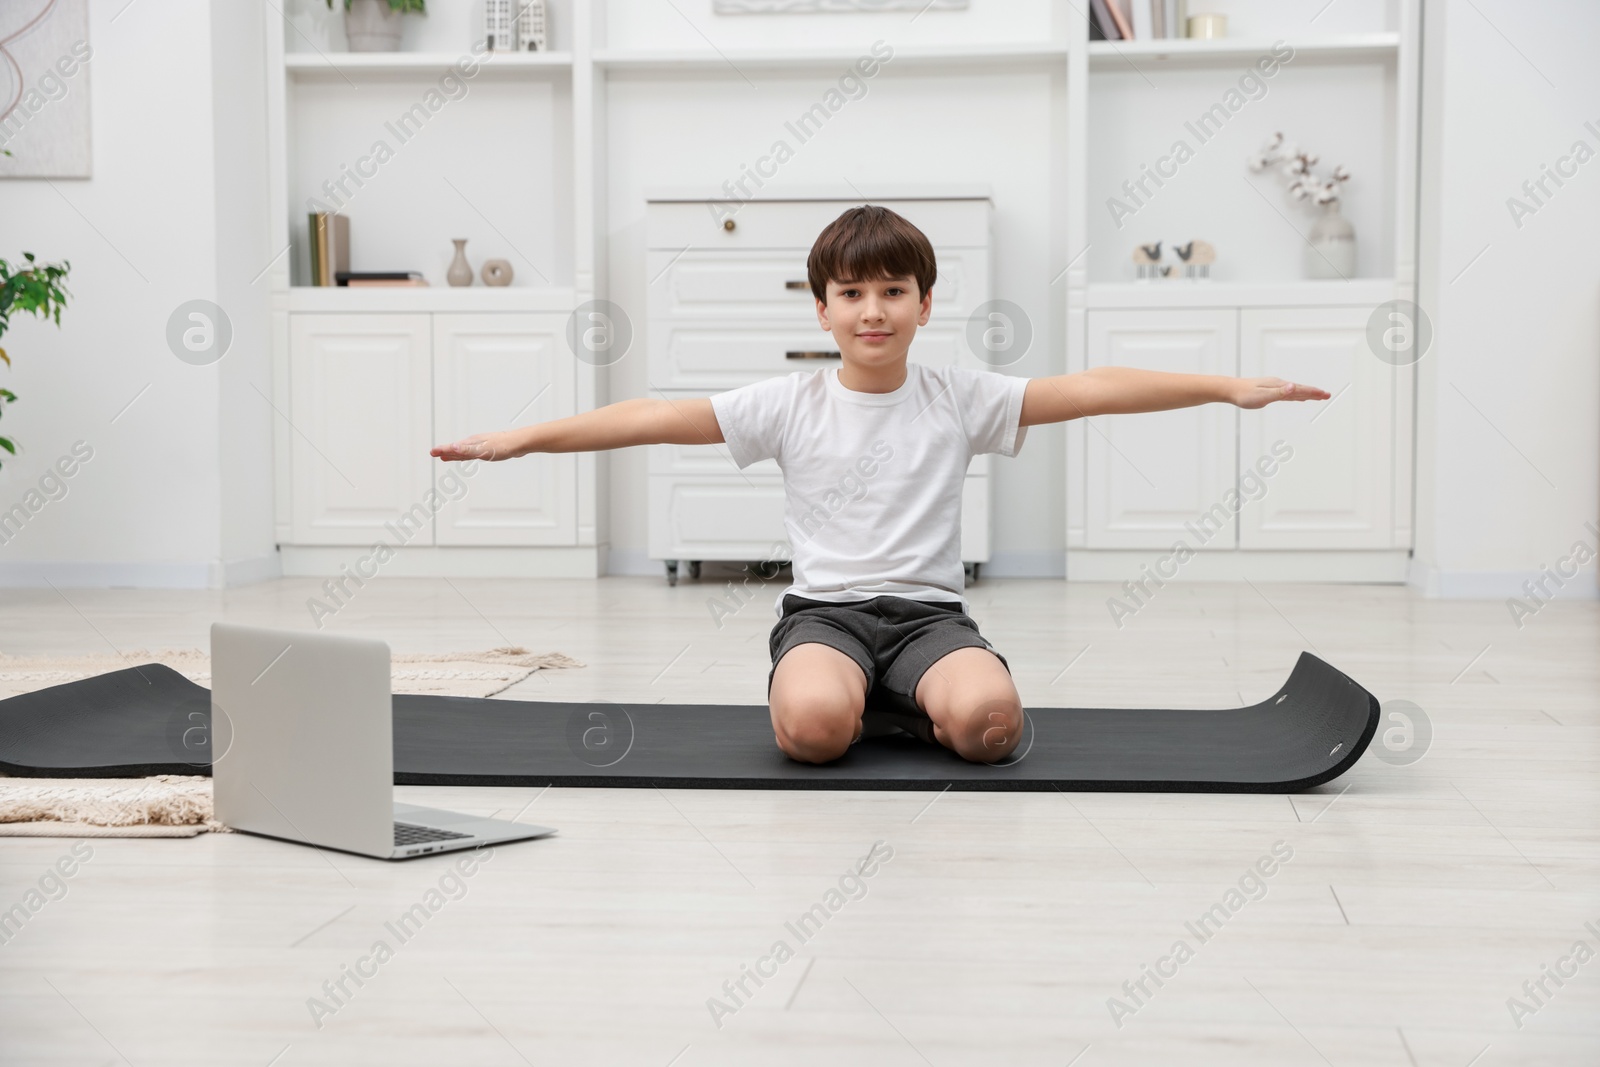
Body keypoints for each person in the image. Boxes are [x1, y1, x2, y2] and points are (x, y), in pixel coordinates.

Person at [431, 205, 1329, 766]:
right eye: (852, 293)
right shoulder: (787, 403)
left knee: (992, 732)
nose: (873, 311)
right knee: (815, 736)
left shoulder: (960, 396)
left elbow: (1093, 389)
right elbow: (652, 414)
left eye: (893, 291)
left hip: (932, 618)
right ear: (821, 308)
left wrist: (1226, 386)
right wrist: (521, 439)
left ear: (925, 304)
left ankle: (908, 692)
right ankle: (848, 693)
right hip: (827, 614)